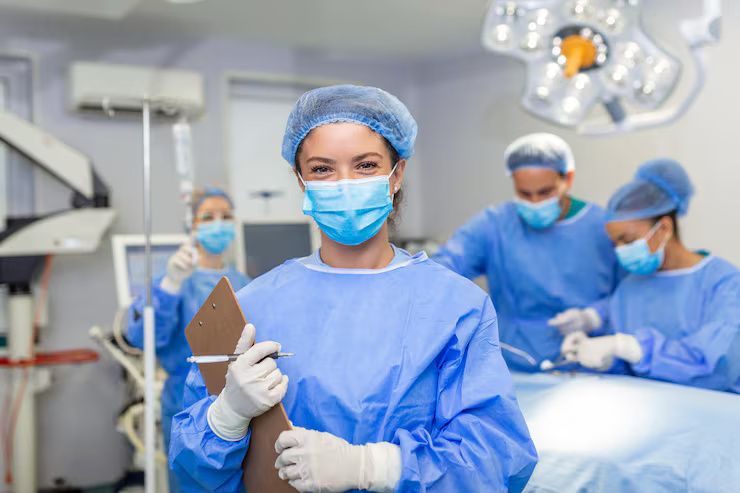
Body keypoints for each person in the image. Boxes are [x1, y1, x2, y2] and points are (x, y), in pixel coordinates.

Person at [169, 85, 537, 492]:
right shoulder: (251, 307)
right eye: (322, 169)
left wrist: (371, 466)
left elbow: (497, 458)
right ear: (301, 180)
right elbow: (192, 472)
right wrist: (226, 419)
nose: (344, 183)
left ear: (397, 174)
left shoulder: (456, 307)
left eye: (365, 165)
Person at [433, 133, 621, 371]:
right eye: (525, 194)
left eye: (545, 192)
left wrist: (593, 316)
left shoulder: (603, 227)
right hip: (514, 361)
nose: (535, 202)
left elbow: (631, 293)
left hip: (589, 362)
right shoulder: (495, 224)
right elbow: (443, 269)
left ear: (567, 179)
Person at [561, 159, 740, 393]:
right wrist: (606, 358)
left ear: (664, 228)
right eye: (615, 243)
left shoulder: (725, 284)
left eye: (627, 240)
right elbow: (631, 370)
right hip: (649, 410)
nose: (620, 251)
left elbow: (720, 368)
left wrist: (631, 347)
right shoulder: (631, 288)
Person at [126, 187, 250, 477]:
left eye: (226, 216)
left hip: (241, 402)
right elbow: (141, 337)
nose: (218, 223)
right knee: (193, 480)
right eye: (208, 217)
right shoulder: (174, 280)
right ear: (191, 226)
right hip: (188, 404)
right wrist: (171, 285)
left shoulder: (244, 282)